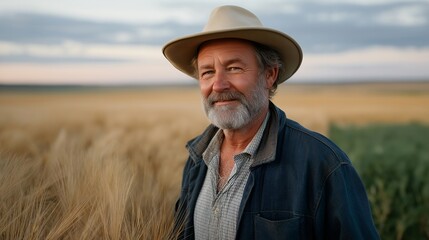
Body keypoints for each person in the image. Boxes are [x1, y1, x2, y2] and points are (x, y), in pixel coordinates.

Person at [162, 5, 380, 240]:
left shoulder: (323, 165)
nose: (218, 84)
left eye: (234, 68)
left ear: (269, 75)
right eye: (207, 72)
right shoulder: (197, 158)